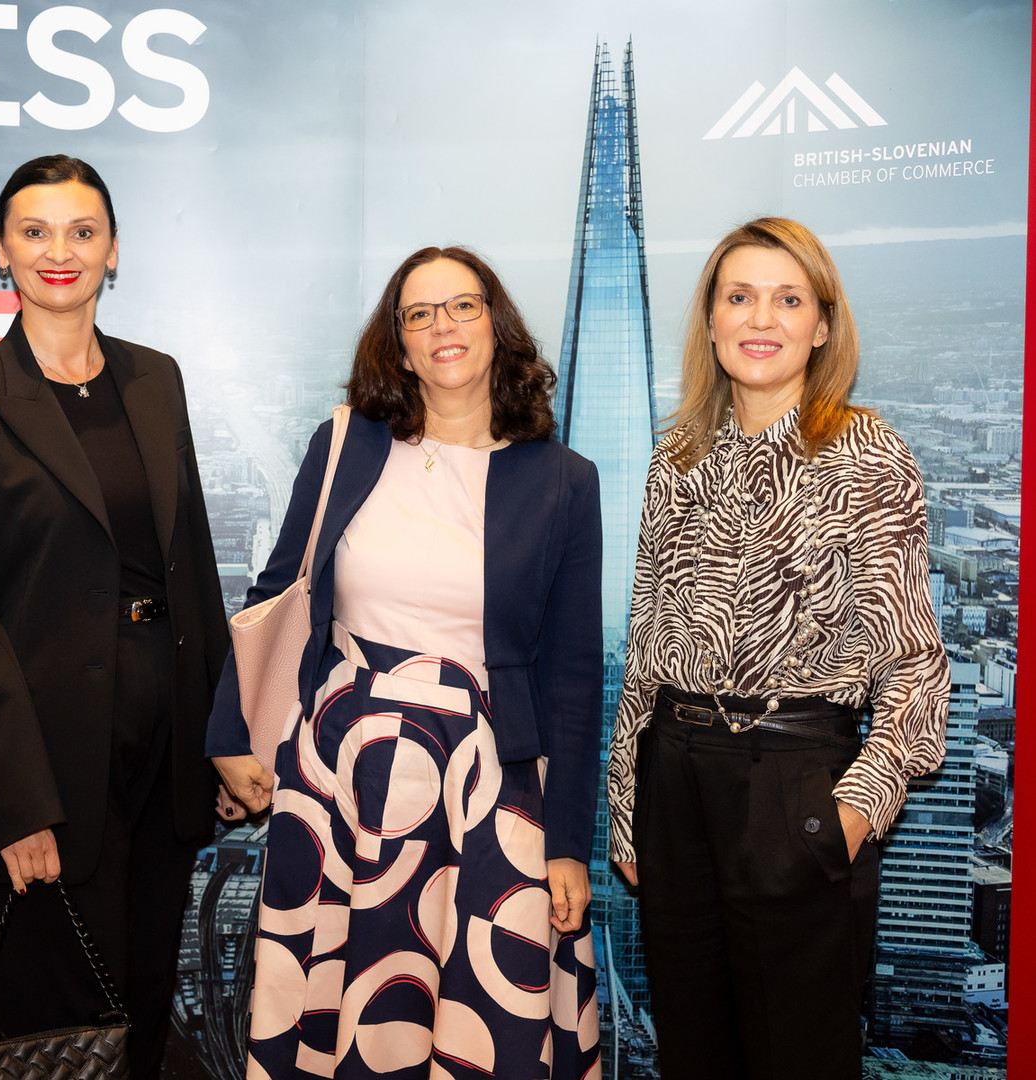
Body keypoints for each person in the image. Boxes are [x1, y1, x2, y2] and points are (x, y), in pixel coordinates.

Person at [210, 246, 603, 1080]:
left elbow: (572, 677)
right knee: (344, 1015)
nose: (441, 327)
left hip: (487, 781)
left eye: (461, 306)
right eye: (418, 314)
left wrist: (569, 844)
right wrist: (234, 733)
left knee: (483, 1020)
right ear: (399, 343)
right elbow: (278, 591)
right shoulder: (345, 444)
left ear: (496, 325)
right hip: (341, 771)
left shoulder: (563, 480)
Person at [0, 154, 229, 1080]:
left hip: (165, 750)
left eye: (83, 232)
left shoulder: (157, 380)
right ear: (1, 252)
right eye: (35, 232)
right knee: (55, 1041)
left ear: (113, 250)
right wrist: (18, 808)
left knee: (144, 1012)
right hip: (45, 768)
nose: (61, 251)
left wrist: (223, 736)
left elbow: (194, 571)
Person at [606, 217, 949, 1079]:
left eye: (789, 299)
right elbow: (647, 643)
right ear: (712, 320)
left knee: (800, 1058)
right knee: (693, 1053)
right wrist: (627, 800)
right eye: (740, 297)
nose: (762, 318)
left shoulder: (866, 454)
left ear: (822, 325)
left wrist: (852, 814)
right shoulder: (676, 458)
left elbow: (913, 663)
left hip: (797, 781)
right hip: (674, 779)